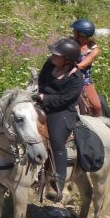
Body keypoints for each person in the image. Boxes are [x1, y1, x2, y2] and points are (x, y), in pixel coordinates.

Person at [35, 37, 84, 202]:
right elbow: (42, 80)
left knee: (57, 141)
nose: (53, 56)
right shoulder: (50, 63)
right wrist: (41, 94)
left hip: (62, 111)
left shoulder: (77, 79)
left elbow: (64, 100)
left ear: (68, 60)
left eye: (57, 55)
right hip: (41, 100)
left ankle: (57, 183)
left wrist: (44, 97)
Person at [71, 19, 103, 117]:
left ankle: (100, 125)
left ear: (81, 34)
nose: (73, 32)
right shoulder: (71, 43)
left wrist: (73, 68)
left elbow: (83, 64)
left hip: (84, 80)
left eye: (75, 30)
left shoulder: (94, 49)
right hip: (67, 76)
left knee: (97, 106)